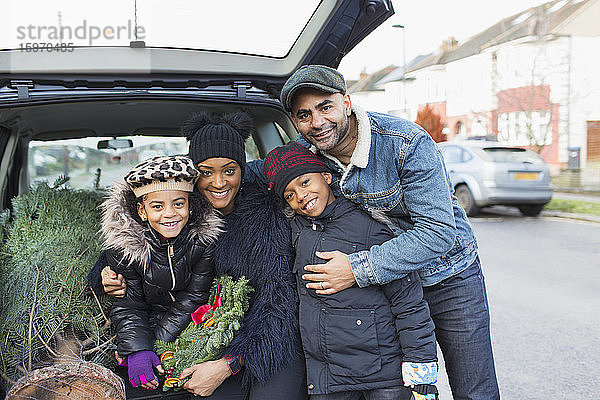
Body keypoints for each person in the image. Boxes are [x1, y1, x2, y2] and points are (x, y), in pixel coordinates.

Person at [267, 64, 500, 400]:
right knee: (406, 386)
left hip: (447, 278)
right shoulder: (309, 159)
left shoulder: (405, 143)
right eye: (304, 115)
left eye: (325, 107)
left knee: (474, 388)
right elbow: (259, 172)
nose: (317, 122)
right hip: (387, 288)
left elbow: (437, 232)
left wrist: (356, 268)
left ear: (346, 102)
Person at [99, 112, 306, 399]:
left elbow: (279, 304)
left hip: (266, 342)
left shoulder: (265, 219)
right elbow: (129, 259)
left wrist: (228, 364)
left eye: (229, 171)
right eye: (206, 172)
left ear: (243, 171)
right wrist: (106, 278)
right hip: (207, 340)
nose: (219, 183)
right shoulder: (177, 214)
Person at [263, 141, 439, 400]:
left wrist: (421, 366)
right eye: (289, 194)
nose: (300, 196)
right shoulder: (294, 231)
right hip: (328, 377)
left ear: (326, 176)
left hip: (383, 374)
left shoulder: (369, 228)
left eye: (304, 183)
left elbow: (408, 301)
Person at [99, 155, 221, 390]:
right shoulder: (125, 248)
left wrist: (156, 345)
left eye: (178, 203)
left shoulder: (203, 241)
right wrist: (137, 348)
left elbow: (195, 296)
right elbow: (128, 303)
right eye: (157, 206)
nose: (170, 214)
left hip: (192, 320)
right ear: (142, 211)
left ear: (190, 206)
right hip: (147, 320)